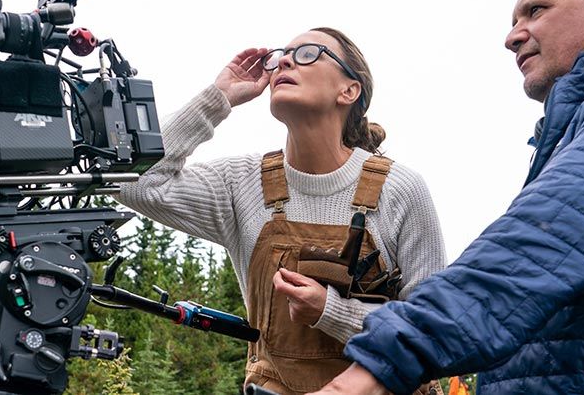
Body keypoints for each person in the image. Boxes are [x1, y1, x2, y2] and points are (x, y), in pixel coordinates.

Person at [310, 0, 584, 395]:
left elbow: (547, 239)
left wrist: (379, 364)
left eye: (535, 11)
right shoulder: (571, 134)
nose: (512, 37)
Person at [114, 27, 446, 394]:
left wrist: (330, 311)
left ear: (349, 91)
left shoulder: (400, 190)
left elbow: (433, 331)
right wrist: (218, 97)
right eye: (281, 55)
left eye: (307, 53)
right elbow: (132, 183)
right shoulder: (242, 183)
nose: (284, 60)